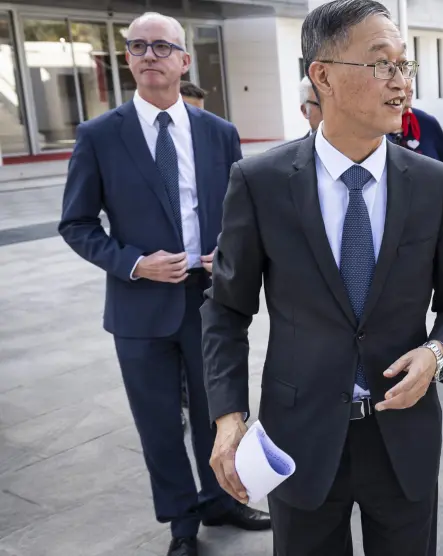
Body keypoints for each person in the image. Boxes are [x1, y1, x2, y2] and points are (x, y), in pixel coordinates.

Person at [200, 1, 443, 554]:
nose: (400, 82)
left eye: (405, 66)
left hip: (402, 437)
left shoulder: (433, 184)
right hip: (298, 438)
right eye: (382, 64)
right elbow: (226, 309)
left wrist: (437, 354)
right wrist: (228, 416)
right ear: (322, 75)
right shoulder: (261, 182)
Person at [58, 12, 270, 556]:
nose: (149, 55)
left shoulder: (218, 133)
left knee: (216, 413)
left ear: (183, 60)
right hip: (138, 308)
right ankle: (181, 523)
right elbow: (77, 224)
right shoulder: (100, 136)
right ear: (127, 58)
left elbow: (240, 211)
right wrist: (134, 263)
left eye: (161, 46)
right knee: (158, 423)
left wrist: (229, 247)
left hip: (208, 302)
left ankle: (222, 498)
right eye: (137, 46)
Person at [389, 79, 443, 164]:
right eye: (404, 83)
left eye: (410, 81)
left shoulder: (428, 123)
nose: (411, 89)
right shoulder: (374, 130)